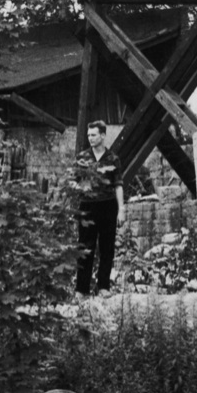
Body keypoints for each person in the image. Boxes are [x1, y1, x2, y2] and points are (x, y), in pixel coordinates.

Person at [72, 120, 126, 296]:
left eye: (93, 135)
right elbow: (73, 182)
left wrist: (121, 209)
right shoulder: (82, 158)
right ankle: (81, 289)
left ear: (103, 135)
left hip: (107, 206)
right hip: (87, 207)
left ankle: (103, 287)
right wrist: (78, 190)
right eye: (88, 135)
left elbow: (118, 185)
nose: (90, 138)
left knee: (107, 248)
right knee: (85, 249)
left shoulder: (113, 159)